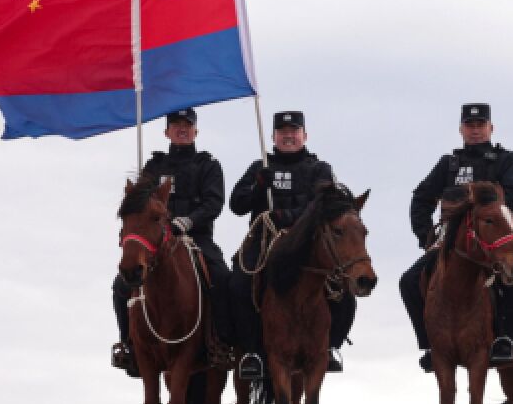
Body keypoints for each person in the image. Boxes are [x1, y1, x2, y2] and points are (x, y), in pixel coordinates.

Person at [401, 103, 513, 372]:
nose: (475, 131)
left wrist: (472, 200)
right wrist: (425, 235)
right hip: (452, 245)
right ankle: (429, 344)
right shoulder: (448, 164)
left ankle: (507, 338)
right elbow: (421, 198)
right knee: (409, 281)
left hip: (495, 244)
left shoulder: (506, 160)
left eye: (480, 125)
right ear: (461, 129)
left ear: (490, 128)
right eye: (470, 126)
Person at [227, 110, 352, 379]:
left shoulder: (319, 169)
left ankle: (331, 346)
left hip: (306, 245)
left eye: (294, 131)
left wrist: (290, 216)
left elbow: (324, 205)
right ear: (273, 136)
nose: (288, 136)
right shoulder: (260, 165)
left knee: (343, 288)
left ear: (304, 136)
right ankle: (250, 352)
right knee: (236, 284)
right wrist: (259, 187)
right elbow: (236, 205)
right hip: (264, 240)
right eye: (283, 132)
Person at [111, 108, 231, 377]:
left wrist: (187, 222)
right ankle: (128, 343)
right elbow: (139, 205)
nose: (182, 129)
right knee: (121, 285)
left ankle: (221, 342)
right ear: (166, 132)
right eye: (176, 125)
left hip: (196, 236)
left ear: (195, 131)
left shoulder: (208, 165)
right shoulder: (154, 167)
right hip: (158, 241)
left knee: (223, 278)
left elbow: (214, 203)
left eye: (187, 125)